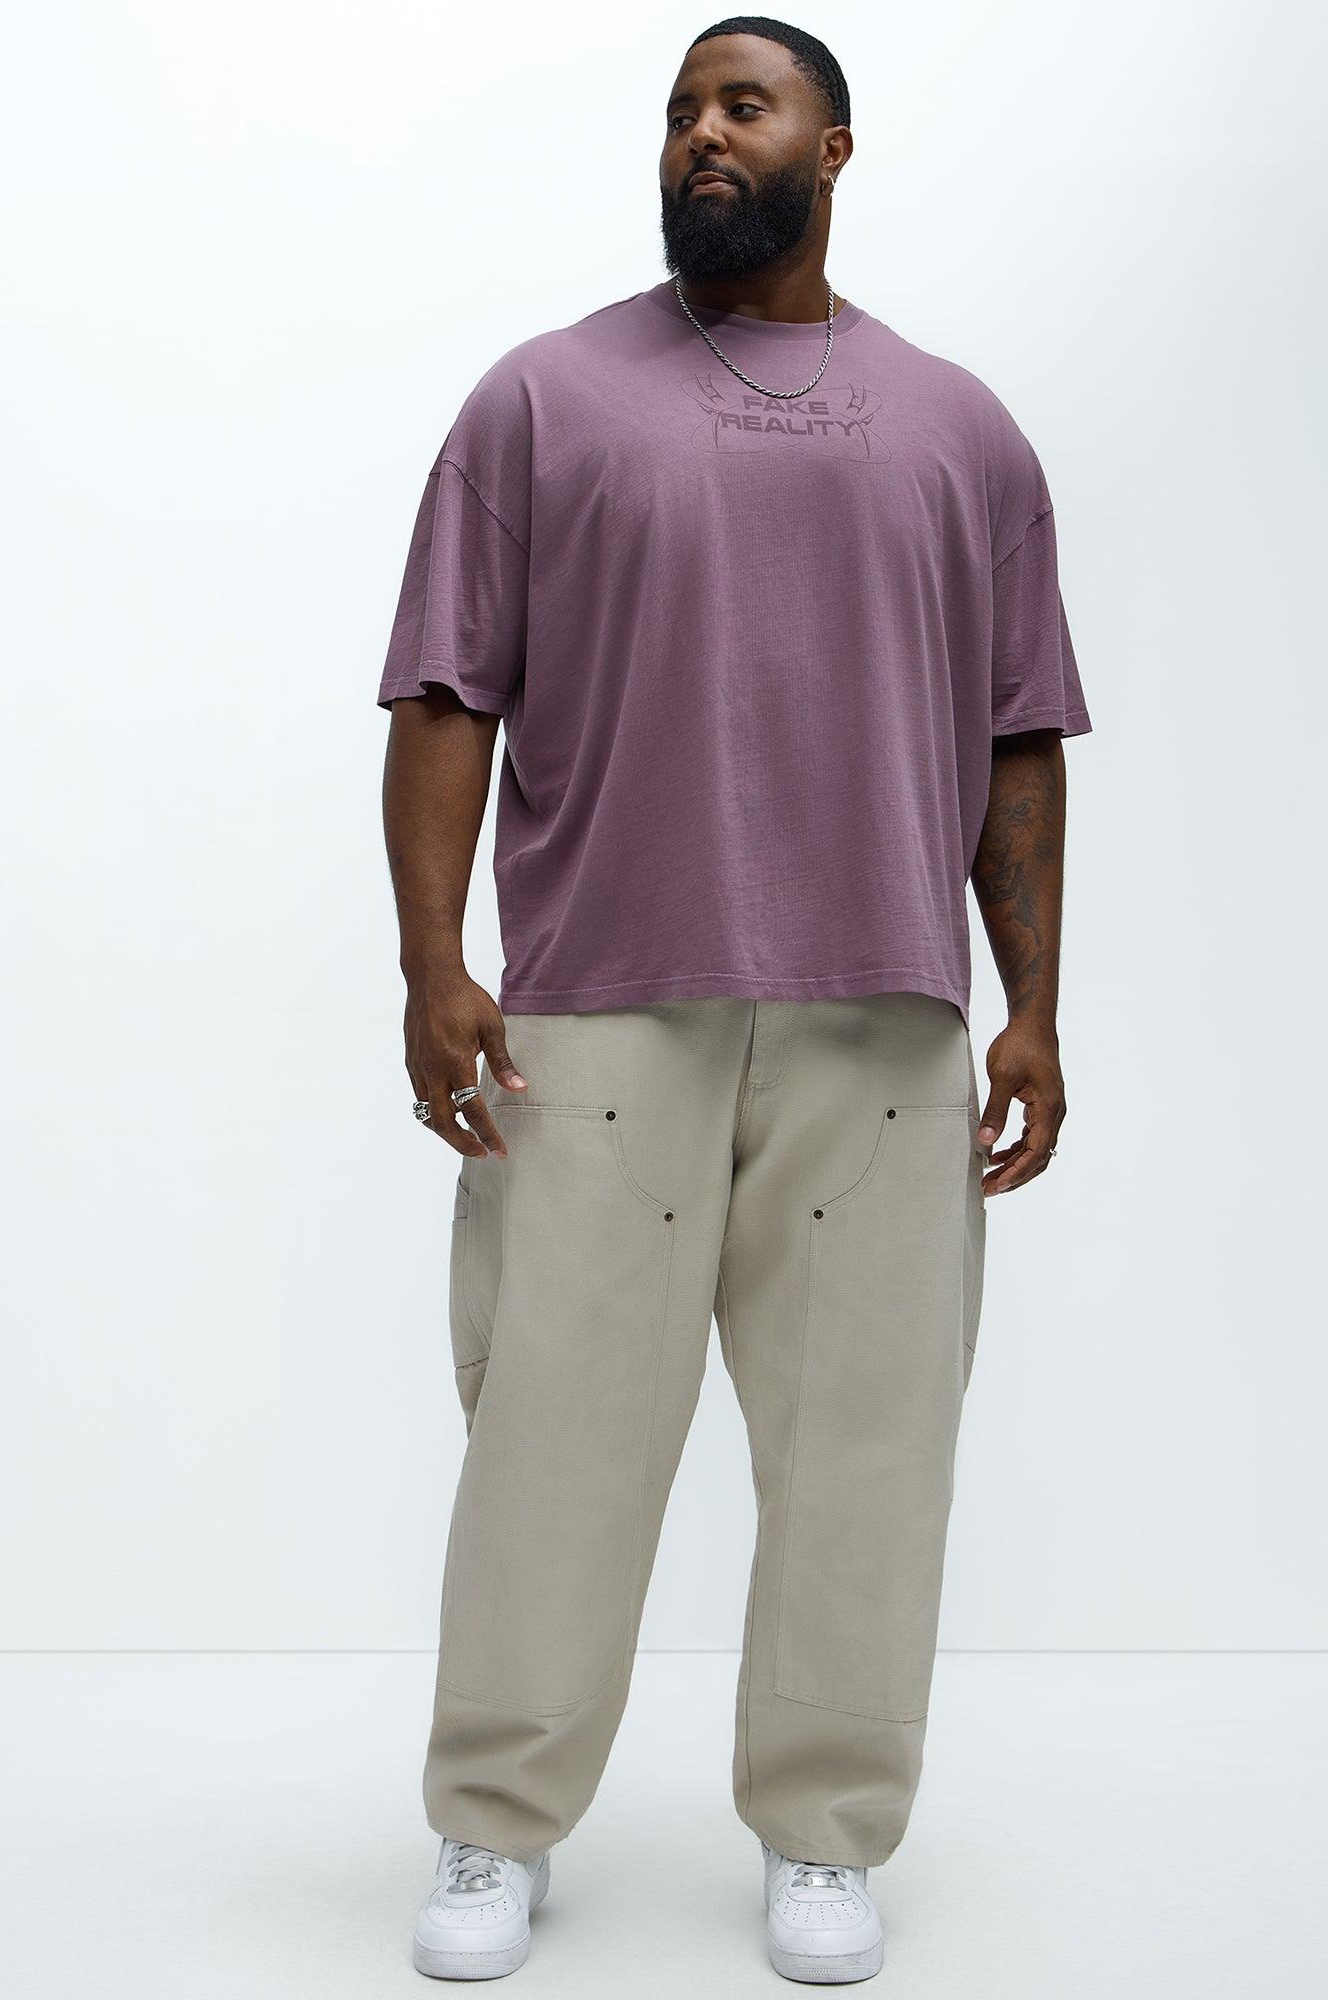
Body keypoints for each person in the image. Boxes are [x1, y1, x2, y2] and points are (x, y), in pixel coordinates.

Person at [378, 14, 1092, 1984]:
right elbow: (443, 692)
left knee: (870, 1451)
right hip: (597, 1011)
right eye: (682, 109)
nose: (703, 132)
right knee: (551, 1437)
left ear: (830, 149)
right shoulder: (543, 400)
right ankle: (492, 1822)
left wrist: (1031, 1005)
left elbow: (1018, 735)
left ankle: (825, 1834)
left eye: (743, 104)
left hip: (884, 1020)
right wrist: (433, 964)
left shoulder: (959, 428)